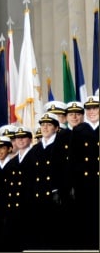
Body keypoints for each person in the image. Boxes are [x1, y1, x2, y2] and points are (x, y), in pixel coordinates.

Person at [30, 112, 70, 250]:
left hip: (55, 197)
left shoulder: (61, 146)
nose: (45, 128)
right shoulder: (35, 149)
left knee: (56, 236)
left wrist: (59, 190)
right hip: (38, 198)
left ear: (56, 128)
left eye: (49, 125)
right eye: (43, 125)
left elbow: (65, 171)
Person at [68, 95, 99, 250]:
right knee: (86, 221)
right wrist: (73, 184)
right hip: (84, 184)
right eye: (88, 109)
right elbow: (72, 160)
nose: (91, 111)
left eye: (95, 108)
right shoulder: (79, 130)